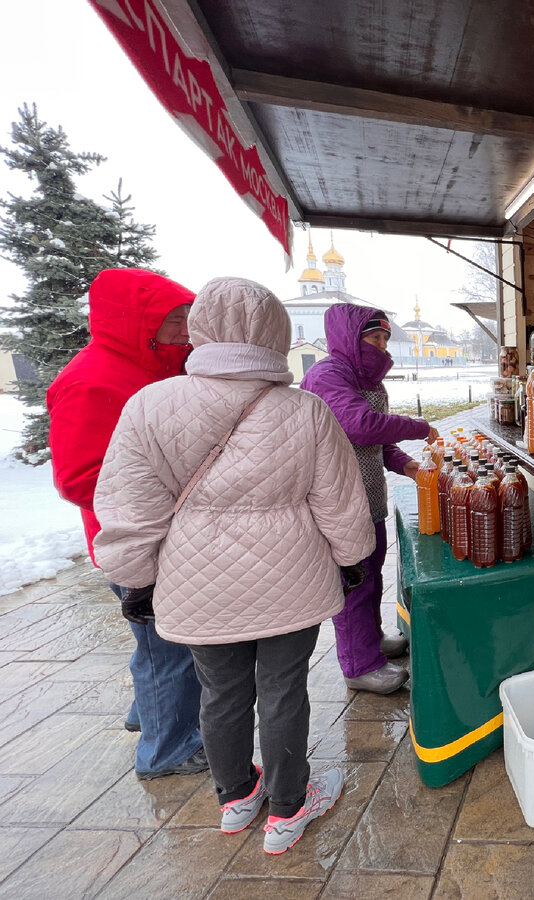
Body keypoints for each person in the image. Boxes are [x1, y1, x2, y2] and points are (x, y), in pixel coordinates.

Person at [93, 277, 375, 854]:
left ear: (201, 330)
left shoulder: (150, 405)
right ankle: (290, 811)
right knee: (283, 691)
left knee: (217, 692)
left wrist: (135, 577)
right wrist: (351, 561)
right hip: (290, 579)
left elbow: (129, 506)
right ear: (275, 331)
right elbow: (340, 503)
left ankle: (236, 798)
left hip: (195, 582)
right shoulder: (306, 411)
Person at [45, 268, 206, 781]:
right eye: (174, 319)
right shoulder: (91, 380)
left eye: (187, 317)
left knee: (159, 644)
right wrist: (174, 485)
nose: (185, 329)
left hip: (166, 534)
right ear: (136, 323)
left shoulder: (160, 368)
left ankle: (152, 714)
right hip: (136, 542)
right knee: (170, 649)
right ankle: (169, 750)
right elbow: (79, 478)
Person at [300, 304, 438, 693]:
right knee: (354, 582)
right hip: (339, 499)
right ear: (349, 339)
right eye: (373, 338)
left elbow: (377, 439)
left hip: (368, 495)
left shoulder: (367, 378)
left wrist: (406, 465)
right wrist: (419, 427)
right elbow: (360, 425)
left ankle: (371, 642)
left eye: (385, 339)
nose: (381, 346)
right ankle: (358, 665)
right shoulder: (327, 375)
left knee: (372, 575)